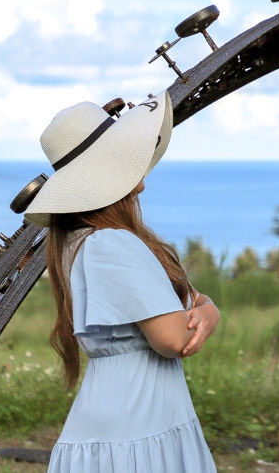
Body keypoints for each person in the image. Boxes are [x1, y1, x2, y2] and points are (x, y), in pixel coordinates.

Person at [25, 91, 219, 472]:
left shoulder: (80, 240)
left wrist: (206, 309)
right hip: (137, 425)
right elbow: (173, 338)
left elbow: (189, 300)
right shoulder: (114, 243)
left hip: (127, 419)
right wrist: (208, 312)